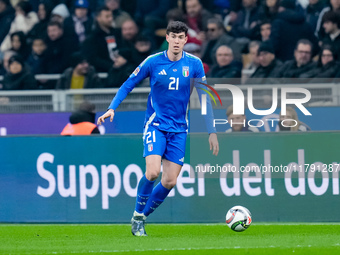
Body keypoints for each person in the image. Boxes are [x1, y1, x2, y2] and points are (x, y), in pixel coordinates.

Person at [97, 21, 219, 236]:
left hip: (179, 129)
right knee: (153, 172)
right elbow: (128, 83)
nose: (177, 41)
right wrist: (112, 108)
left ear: (185, 40)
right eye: (174, 36)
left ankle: (140, 218)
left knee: (170, 181)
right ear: (167, 37)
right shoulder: (153, 62)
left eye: (182, 37)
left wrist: (212, 131)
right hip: (156, 125)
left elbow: (205, 99)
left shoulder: (194, 64)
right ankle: (137, 214)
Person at [81, 6, 121, 72]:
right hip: (102, 74)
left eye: (111, 16)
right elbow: (92, 58)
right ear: (98, 18)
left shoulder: (117, 33)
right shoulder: (92, 37)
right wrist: (112, 65)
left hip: (120, 72)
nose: (110, 19)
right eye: (107, 17)